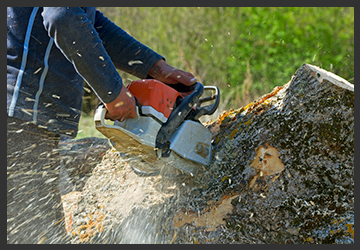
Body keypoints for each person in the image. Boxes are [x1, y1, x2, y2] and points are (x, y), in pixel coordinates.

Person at [7, 7, 196, 244]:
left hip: (24, 118)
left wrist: (154, 67)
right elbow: (63, 17)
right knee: (38, 237)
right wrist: (112, 92)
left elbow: (87, 23)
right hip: (18, 118)